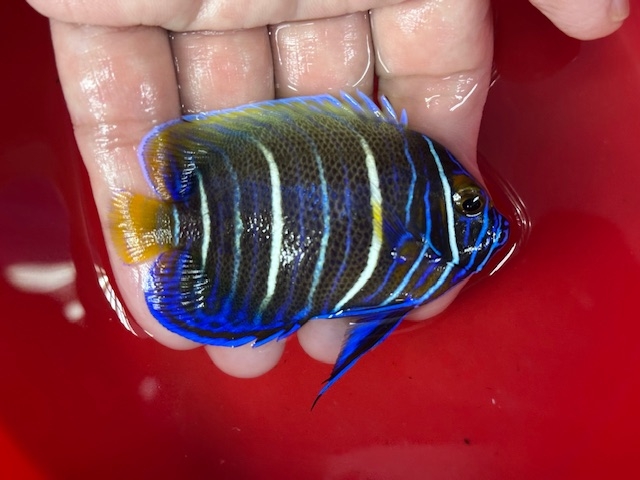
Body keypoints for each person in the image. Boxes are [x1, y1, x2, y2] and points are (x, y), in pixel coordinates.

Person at [26, 0, 628, 379]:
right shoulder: (422, 204)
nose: (484, 219)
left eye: (473, 205)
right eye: (469, 205)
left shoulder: (422, 197)